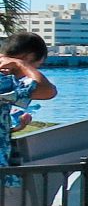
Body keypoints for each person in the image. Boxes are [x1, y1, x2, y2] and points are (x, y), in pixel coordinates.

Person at [1, 32, 57, 166]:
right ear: (28, 57)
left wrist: (13, 127)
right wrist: (22, 65)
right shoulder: (5, 81)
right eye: (36, 66)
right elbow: (48, 91)